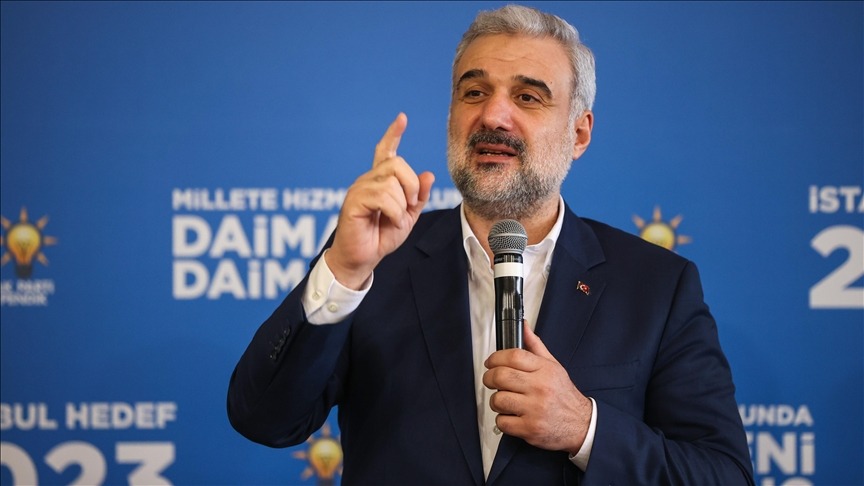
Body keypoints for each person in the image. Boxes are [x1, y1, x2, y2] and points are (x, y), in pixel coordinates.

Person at [227, 4, 754, 485]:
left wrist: (584, 428)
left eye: (528, 97)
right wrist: (343, 270)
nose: (493, 117)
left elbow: (722, 475)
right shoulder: (377, 261)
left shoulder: (656, 287)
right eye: (474, 92)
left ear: (579, 134)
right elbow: (263, 419)